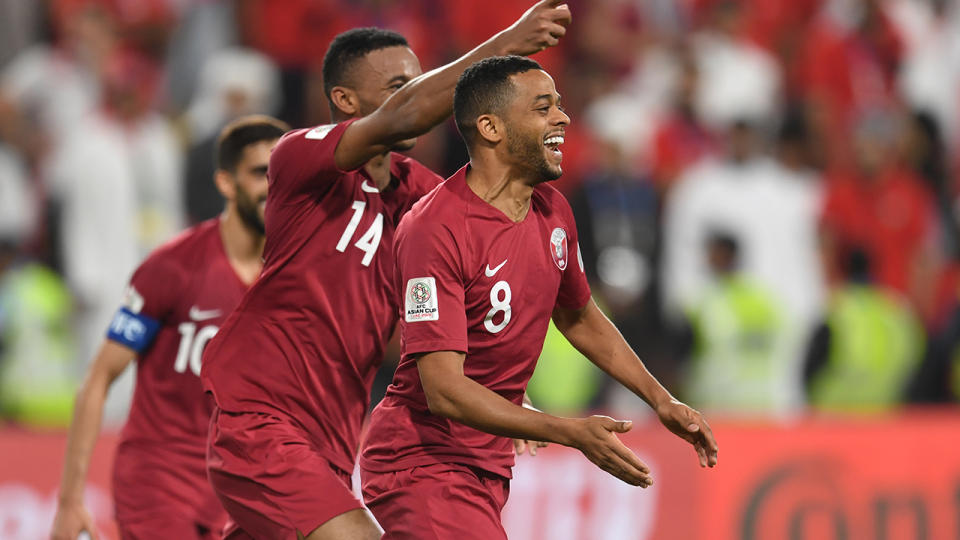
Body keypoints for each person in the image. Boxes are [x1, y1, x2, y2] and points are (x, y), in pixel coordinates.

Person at [199, 3, 572, 540]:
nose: (418, 94)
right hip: (260, 420)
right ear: (345, 101)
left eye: (419, 81)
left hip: (332, 439)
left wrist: (499, 387)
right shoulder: (300, 160)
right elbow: (406, 115)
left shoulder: (419, 193)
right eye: (399, 85)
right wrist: (508, 44)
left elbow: (458, 290)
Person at [359, 55, 718, 539]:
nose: (563, 119)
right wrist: (568, 431)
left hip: (484, 462)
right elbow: (442, 389)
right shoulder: (436, 228)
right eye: (543, 107)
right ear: (491, 127)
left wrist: (661, 399)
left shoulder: (553, 211)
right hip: (422, 460)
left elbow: (579, 316)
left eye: (560, 106)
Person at [50, 115, 289, 540]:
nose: (274, 186)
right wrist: (70, 501)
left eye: (282, 174)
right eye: (259, 173)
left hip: (237, 487)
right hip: (158, 481)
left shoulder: (291, 277)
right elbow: (99, 378)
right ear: (226, 183)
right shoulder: (173, 267)